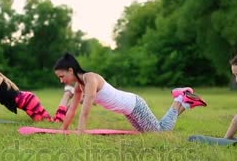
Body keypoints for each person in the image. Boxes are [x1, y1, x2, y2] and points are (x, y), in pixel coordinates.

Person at [53, 52, 207, 132]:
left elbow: (85, 112)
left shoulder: (90, 79)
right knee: (153, 132)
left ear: (71, 70)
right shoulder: (80, 86)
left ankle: (180, 97)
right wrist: (63, 130)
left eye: (62, 76)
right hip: (128, 111)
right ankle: (185, 103)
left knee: (160, 133)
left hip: (134, 105)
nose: (61, 80)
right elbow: (72, 109)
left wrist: (80, 132)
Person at [0, 55, 72, 123]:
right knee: (50, 121)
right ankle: (69, 104)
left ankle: (67, 94)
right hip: (26, 101)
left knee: (54, 123)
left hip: (28, 101)